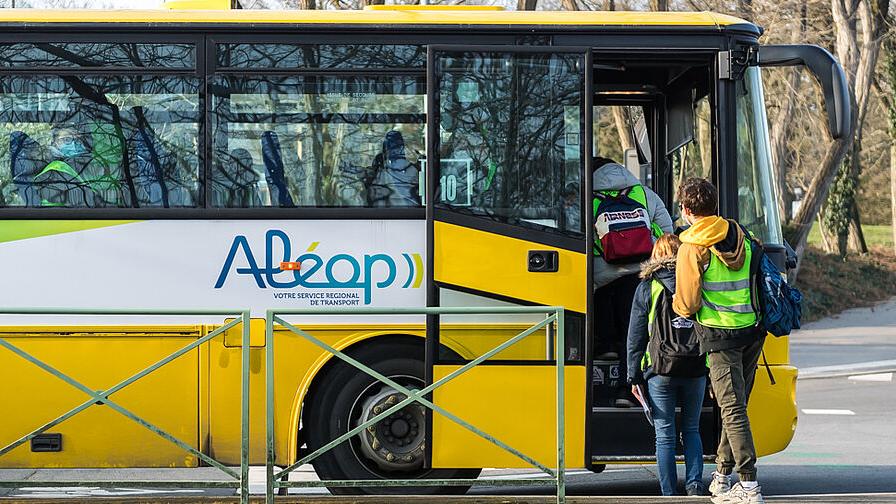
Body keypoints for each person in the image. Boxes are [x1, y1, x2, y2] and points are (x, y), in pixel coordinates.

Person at [672, 177, 766, 504]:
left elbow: (686, 303)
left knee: (732, 409)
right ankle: (723, 477)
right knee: (735, 406)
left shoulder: (691, 248)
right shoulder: (741, 234)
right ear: (714, 206)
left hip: (720, 336)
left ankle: (750, 484)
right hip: (753, 331)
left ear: (686, 210)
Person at [627, 233, 707, 496]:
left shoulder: (647, 287)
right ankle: (695, 485)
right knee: (692, 429)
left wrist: (633, 375)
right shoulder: (697, 281)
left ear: (656, 255)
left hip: (659, 371)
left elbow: (636, 335)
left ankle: (669, 494)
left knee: (665, 435)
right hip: (695, 366)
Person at [592, 156, 673, 407]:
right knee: (633, 334)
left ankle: (604, 345)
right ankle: (627, 390)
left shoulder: (587, 195)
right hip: (638, 273)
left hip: (599, 276)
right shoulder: (644, 193)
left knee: (601, 306)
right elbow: (666, 229)